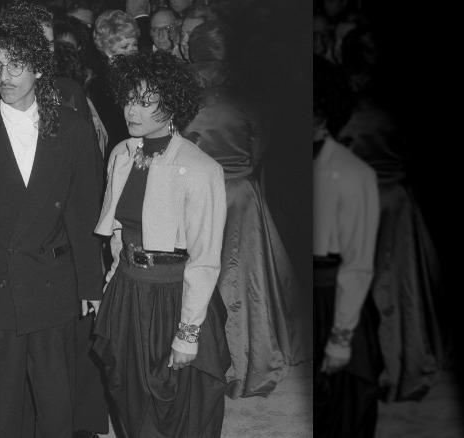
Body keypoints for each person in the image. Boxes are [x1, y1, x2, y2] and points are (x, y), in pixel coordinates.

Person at [0, 22, 103, 438]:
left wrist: (91, 284)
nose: (3, 77)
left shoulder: (73, 128)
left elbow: (83, 215)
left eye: (16, 66)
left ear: (40, 69)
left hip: (55, 285)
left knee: (56, 406)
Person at [93, 49, 230, 437]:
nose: (131, 111)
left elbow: (205, 259)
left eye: (145, 101)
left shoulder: (202, 169)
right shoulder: (121, 154)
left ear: (171, 104)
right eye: (128, 99)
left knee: (180, 408)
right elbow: (117, 230)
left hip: (175, 298)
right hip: (128, 292)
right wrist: (115, 278)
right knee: (130, 397)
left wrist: (188, 333)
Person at [182, 20, 309, 398]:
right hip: (241, 195)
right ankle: (250, 358)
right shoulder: (251, 97)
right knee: (247, 284)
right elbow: (258, 152)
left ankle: (208, 358)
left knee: (201, 275)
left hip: (199, 196)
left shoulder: (180, 96)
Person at [337, 27, 443, 402]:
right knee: (400, 286)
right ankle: (403, 367)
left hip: (358, 202)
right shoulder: (397, 101)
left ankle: (373, 368)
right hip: (395, 201)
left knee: (363, 285)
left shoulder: (341, 103)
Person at [312, 54, 382, 438]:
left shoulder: (354, 174)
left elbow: (357, 266)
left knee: (342, 415)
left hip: (336, 304)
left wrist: (340, 339)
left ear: (324, 112)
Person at [88, 9, 140, 164]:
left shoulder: (138, 74)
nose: (132, 51)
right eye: (125, 47)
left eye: (134, 44)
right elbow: (117, 129)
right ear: (107, 49)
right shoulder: (101, 84)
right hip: (120, 155)